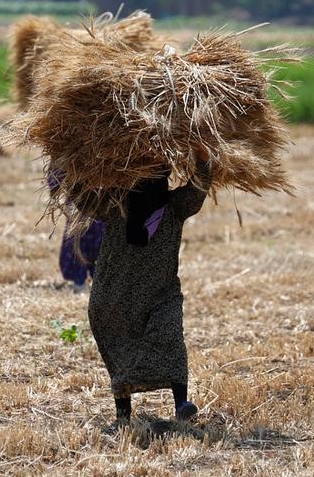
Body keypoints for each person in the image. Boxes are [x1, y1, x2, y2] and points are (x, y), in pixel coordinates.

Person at [84, 148, 211, 426]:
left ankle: (182, 404)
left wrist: (202, 159)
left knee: (170, 336)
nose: (149, 183)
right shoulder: (116, 204)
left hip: (159, 293)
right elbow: (84, 198)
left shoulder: (174, 206)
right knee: (120, 347)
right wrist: (72, 163)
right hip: (115, 293)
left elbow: (198, 188)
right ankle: (123, 414)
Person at [47, 167, 106, 291]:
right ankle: (79, 281)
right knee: (79, 237)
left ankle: (97, 280)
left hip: (103, 198)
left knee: (98, 238)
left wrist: (54, 185)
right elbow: (59, 162)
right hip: (80, 199)